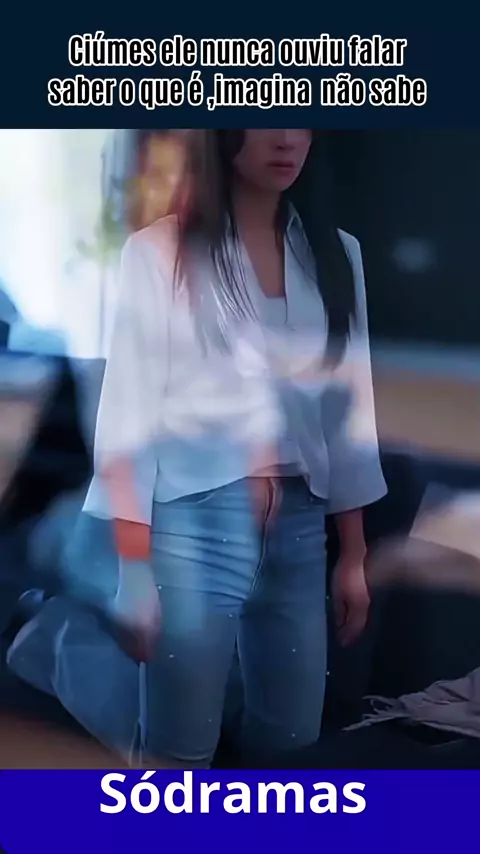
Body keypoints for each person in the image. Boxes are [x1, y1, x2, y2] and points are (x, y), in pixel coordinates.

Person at [84, 129, 387, 767]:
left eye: (300, 116)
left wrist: (354, 554)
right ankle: (50, 641)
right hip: (192, 531)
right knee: (179, 753)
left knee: (291, 747)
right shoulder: (160, 252)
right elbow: (127, 419)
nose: (286, 138)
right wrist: (133, 569)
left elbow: (350, 414)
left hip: (299, 530)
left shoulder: (338, 253)